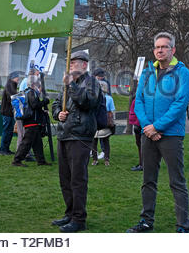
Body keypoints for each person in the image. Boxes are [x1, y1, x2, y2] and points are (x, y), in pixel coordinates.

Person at [127, 32, 189, 233]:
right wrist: (149, 127)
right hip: (149, 134)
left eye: (164, 47)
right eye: (157, 47)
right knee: (148, 180)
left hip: (170, 135)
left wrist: (158, 127)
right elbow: (139, 102)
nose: (160, 50)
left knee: (177, 181)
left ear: (172, 50)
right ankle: (146, 221)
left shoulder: (183, 73)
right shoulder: (147, 73)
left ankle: (183, 225)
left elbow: (180, 104)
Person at [51, 50, 100, 233]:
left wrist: (71, 85)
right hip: (64, 134)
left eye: (74, 62)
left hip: (80, 136)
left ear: (84, 64)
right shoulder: (67, 85)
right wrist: (58, 114)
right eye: (69, 62)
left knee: (77, 179)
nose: (70, 65)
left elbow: (87, 102)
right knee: (65, 179)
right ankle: (70, 213)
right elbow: (56, 104)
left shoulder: (92, 83)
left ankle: (79, 218)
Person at [11, 74, 51, 167]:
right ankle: (16, 160)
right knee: (26, 143)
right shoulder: (31, 92)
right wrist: (45, 101)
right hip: (31, 122)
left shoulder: (27, 92)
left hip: (31, 121)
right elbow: (34, 105)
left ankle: (41, 160)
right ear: (34, 84)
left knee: (37, 143)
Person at [91, 81, 115, 166]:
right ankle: (106, 159)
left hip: (98, 121)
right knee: (105, 142)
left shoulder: (93, 98)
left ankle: (95, 159)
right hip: (104, 121)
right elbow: (111, 111)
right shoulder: (109, 98)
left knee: (94, 142)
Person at [0, 71, 20, 155]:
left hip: (8, 112)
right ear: (13, 78)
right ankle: (2, 149)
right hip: (7, 112)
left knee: (9, 131)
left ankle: (5, 149)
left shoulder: (11, 85)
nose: (18, 78)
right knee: (7, 131)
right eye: (17, 77)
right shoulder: (10, 86)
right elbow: (12, 98)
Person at [128, 95, 143, 171]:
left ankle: (142, 164)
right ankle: (141, 163)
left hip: (139, 125)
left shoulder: (139, 100)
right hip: (138, 124)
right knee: (140, 145)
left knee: (141, 145)